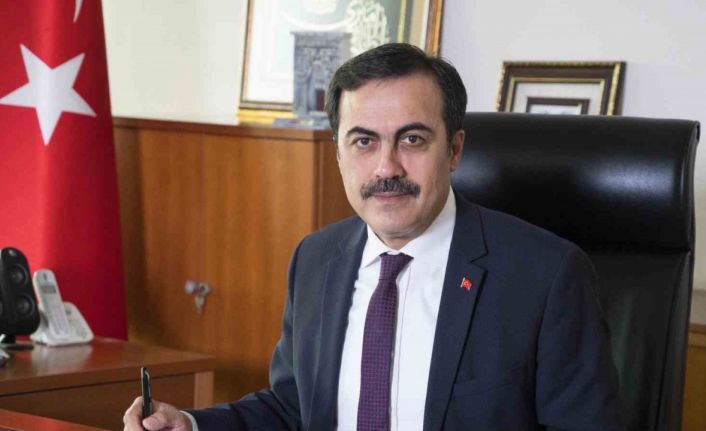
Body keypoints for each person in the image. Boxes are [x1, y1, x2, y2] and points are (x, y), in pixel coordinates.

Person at [124, 43, 623, 431]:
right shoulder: (316, 258)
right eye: (364, 141)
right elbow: (294, 408)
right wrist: (190, 424)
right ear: (338, 154)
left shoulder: (545, 275)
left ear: (454, 150)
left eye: (412, 139)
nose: (387, 167)